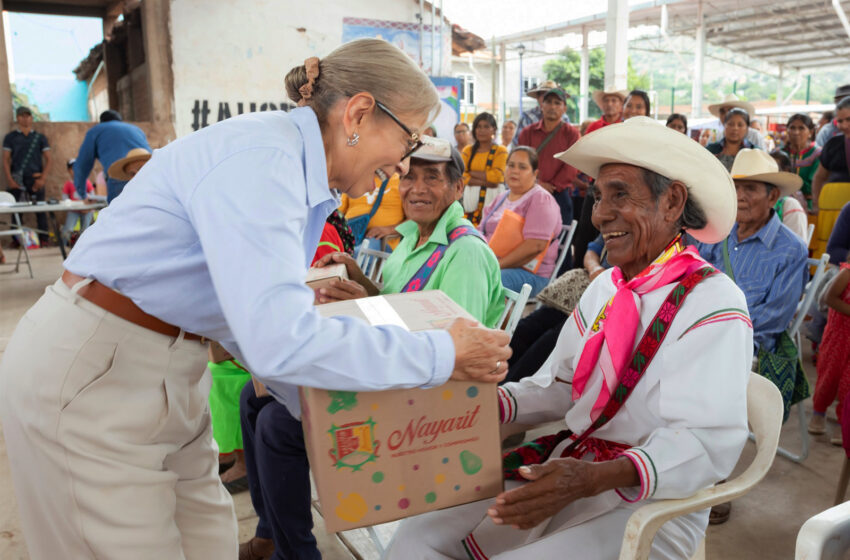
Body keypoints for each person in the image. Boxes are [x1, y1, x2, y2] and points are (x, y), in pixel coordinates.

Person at [0, 39, 511, 560]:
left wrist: (337, 421)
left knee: (210, 544)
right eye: (408, 141)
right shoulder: (266, 162)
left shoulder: (295, 170)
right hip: (97, 374)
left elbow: (251, 323)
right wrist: (441, 353)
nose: (403, 167)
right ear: (358, 113)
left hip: (165, 368)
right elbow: (280, 338)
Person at [386, 117, 752, 560]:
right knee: (415, 534)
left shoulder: (712, 302)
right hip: (572, 466)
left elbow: (706, 442)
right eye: (599, 196)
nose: (599, 214)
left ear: (672, 201)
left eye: (621, 194)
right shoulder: (606, 287)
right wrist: (476, 407)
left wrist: (592, 478)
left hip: (653, 499)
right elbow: (558, 388)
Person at [238, 137, 505, 560]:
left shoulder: (464, 252)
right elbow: (397, 305)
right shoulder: (414, 239)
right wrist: (358, 279)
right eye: (409, 177)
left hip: (432, 404)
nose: (416, 188)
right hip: (404, 371)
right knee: (252, 397)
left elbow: (456, 352)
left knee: (277, 424)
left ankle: (296, 553)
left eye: (432, 178)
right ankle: (272, 532)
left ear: (457, 189)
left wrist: (362, 306)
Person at [698, 148, 807, 354]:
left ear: (773, 196)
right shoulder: (717, 232)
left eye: (749, 189)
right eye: (735, 188)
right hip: (700, 333)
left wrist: (719, 338)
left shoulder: (791, 250)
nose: (739, 197)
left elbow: (772, 320)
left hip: (744, 347)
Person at [504, 233, 610, 385]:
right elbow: (593, 249)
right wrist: (595, 269)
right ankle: (494, 379)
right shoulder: (617, 222)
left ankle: (505, 390)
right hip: (581, 291)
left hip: (602, 305)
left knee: (548, 344)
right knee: (528, 328)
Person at [478, 147, 561, 296]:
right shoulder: (501, 197)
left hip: (528, 272)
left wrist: (495, 266)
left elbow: (535, 246)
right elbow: (480, 230)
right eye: (511, 165)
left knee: (482, 280)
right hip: (491, 261)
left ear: (535, 174)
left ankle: (478, 319)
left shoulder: (541, 199)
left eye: (522, 167)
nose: (514, 171)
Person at [517, 87, 581, 227]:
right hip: (530, 190)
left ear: (564, 108)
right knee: (527, 233)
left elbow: (571, 165)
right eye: (549, 102)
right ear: (541, 106)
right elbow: (521, 161)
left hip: (559, 194)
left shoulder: (572, 134)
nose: (552, 106)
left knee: (560, 240)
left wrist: (552, 186)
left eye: (557, 103)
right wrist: (538, 184)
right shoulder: (528, 132)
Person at [809, 254, 850, 445]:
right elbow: (828, 298)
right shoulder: (847, 273)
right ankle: (819, 412)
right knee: (829, 376)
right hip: (838, 335)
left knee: (847, 384)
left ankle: (844, 424)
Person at [73, 110, 151, 202]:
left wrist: (82, 194)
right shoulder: (136, 129)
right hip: (150, 173)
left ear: (102, 122)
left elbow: (82, 165)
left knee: (121, 213)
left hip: (121, 177)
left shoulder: (96, 130)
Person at [3, 106, 51, 241]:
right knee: (16, 211)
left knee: (40, 210)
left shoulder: (40, 137)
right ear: (17, 118)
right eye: (22, 116)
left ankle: (44, 239)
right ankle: (16, 240)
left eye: (28, 116)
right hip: (17, 179)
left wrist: (42, 179)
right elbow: (6, 160)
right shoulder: (10, 138)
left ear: (31, 118)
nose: (25, 118)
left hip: (36, 179)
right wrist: (10, 180)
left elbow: (49, 159)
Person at [461, 112, 508, 225]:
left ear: (494, 130)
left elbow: (496, 177)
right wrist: (487, 182)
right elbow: (461, 176)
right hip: (470, 206)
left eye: (486, 127)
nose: (481, 130)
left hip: (493, 202)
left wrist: (471, 174)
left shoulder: (501, 150)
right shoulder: (467, 150)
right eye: (478, 127)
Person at [338, 172, 405, 251]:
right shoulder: (356, 178)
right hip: (349, 236)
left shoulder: (400, 182)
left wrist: (389, 230)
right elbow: (338, 214)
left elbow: (414, 222)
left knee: (356, 253)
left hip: (380, 241)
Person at [811, 97, 850, 213]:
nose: (844, 125)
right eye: (840, 121)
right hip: (832, 210)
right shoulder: (833, 144)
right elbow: (819, 177)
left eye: (848, 119)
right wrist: (817, 205)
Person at [783, 113, 821, 211]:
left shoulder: (818, 154)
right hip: (781, 205)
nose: (796, 132)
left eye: (801, 128)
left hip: (809, 207)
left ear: (811, 132)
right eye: (792, 128)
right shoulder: (780, 154)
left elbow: (813, 186)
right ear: (787, 130)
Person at [514, 80, 571, 144]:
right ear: (537, 98)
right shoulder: (527, 116)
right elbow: (518, 144)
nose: (552, 106)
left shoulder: (564, 118)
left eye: (556, 101)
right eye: (545, 96)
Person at [61, 158, 96, 242]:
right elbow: (64, 197)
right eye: (72, 169)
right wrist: (70, 204)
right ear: (69, 171)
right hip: (74, 210)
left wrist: (88, 208)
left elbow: (93, 196)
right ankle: (64, 245)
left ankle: (84, 245)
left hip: (87, 210)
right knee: (68, 229)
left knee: (85, 229)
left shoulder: (86, 182)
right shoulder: (68, 184)